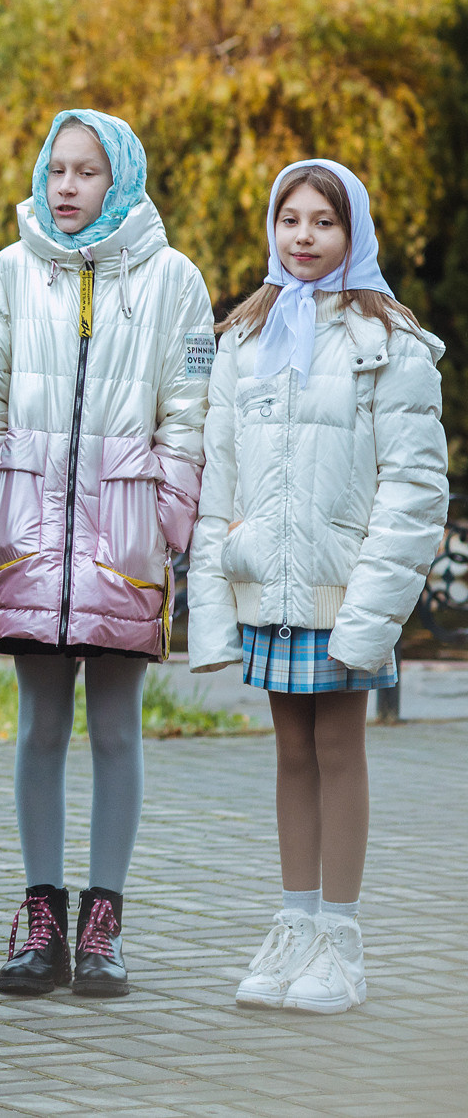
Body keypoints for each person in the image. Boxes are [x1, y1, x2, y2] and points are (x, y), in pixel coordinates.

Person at [0, 109, 212, 998]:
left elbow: (191, 412)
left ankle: (103, 924)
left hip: (124, 542)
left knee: (114, 727)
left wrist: (161, 519)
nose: (66, 186)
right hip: (30, 540)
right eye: (56, 169)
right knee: (39, 725)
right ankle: (41, 922)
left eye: (87, 171)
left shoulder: (173, 279)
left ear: (121, 179)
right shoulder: (10, 270)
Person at [188, 160, 446, 1015]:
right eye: (290, 219)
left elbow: (414, 488)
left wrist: (371, 611)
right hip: (273, 590)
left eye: (324, 221)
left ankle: (341, 938)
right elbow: (219, 476)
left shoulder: (389, 342)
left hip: (345, 591)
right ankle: (295, 923)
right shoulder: (245, 337)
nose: (304, 235)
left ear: (354, 231)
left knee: (339, 749)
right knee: (291, 752)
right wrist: (222, 583)